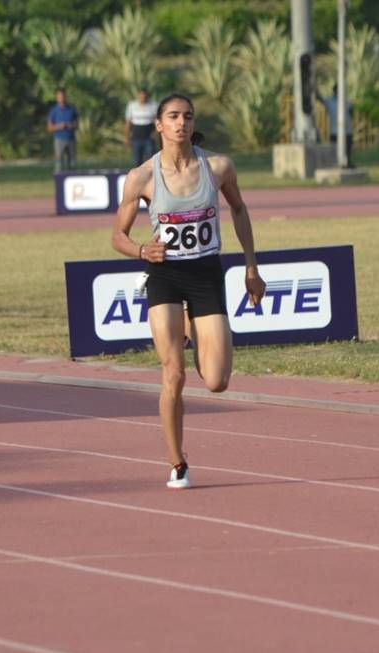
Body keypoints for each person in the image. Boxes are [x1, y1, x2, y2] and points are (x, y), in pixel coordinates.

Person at [111, 93, 265, 489]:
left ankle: (193, 325)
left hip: (205, 275)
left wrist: (251, 267)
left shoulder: (218, 167)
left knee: (216, 381)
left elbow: (240, 210)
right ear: (158, 125)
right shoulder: (142, 177)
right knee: (173, 374)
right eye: (173, 116)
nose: (181, 123)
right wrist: (142, 250)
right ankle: (177, 461)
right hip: (165, 276)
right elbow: (118, 236)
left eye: (188, 116)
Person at [47, 88, 79, 174]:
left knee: (72, 162)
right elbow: (49, 127)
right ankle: (59, 179)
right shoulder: (54, 111)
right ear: (57, 98)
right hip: (59, 139)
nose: (62, 98)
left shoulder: (72, 109)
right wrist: (59, 126)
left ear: (66, 97)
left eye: (63, 96)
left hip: (71, 139)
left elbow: (76, 124)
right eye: (59, 97)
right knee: (59, 161)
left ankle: (72, 177)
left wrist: (70, 125)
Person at [321, 84, 355, 168]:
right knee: (335, 150)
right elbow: (320, 99)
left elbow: (351, 113)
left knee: (347, 149)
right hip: (334, 131)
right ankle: (336, 164)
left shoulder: (346, 101)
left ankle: (348, 163)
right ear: (334, 91)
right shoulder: (329, 101)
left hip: (347, 130)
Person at [125, 86, 156, 166]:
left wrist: (155, 133)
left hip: (148, 137)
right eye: (141, 96)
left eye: (144, 96)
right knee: (137, 161)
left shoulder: (153, 105)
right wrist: (127, 137)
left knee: (150, 160)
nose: (142, 98)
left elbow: (157, 121)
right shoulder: (132, 105)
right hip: (136, 137)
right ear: (138, 96)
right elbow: (128, 122)